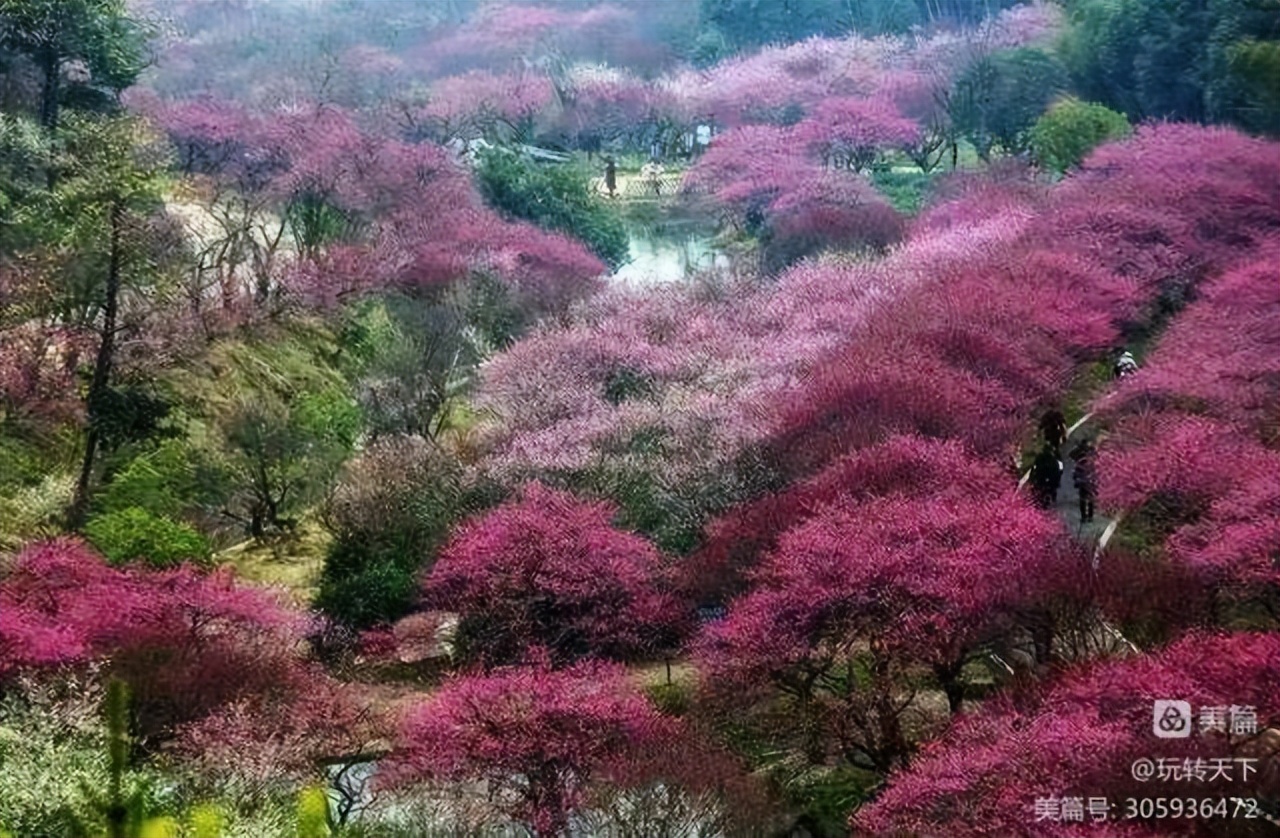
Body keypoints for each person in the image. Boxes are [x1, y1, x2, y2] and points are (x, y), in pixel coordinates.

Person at [1069, 438, 1098, 523]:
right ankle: (1089, 516)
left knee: (1084, 498)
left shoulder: (1083, 455)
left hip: (1083, 478)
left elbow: (1071, 455)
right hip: (1089, 478)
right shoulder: (1090, 454)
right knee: (1089, 497)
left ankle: (1085, 516)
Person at [1029, 444, 1063, 510]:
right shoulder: (1053, 458)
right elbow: (1059, 469)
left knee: (1047, 488)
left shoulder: (1049, 458)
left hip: (1045, 476)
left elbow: (1034, 467)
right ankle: (1048, 498)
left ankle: (1046, 498)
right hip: (1046, 477)